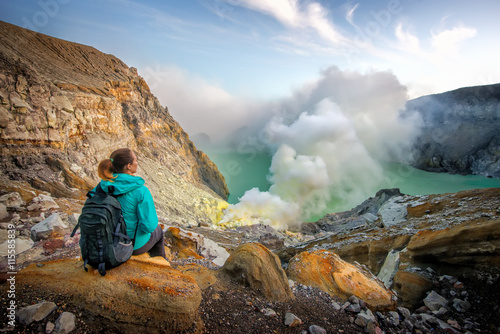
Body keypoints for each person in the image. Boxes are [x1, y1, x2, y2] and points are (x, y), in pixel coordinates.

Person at [93, 147, 166, 259]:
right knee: (158, 231)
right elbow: (149, 226)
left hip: (103, 241)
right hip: (130, 245)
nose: (137, 162)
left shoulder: (102, 186)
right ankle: (161, 267)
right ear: (129, 166)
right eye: (135, 160)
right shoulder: (141, 191)